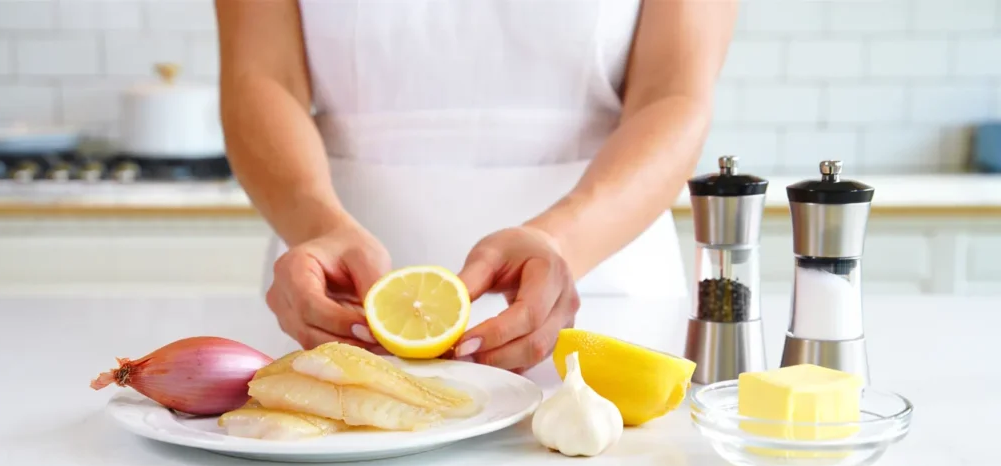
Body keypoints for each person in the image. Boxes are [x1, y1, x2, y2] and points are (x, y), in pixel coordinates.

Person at [216, 0, 736, 372]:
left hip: (601, 284)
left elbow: (673, 93)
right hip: (334, 298)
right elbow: (262, 77)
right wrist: (315, 223)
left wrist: (562, 243)